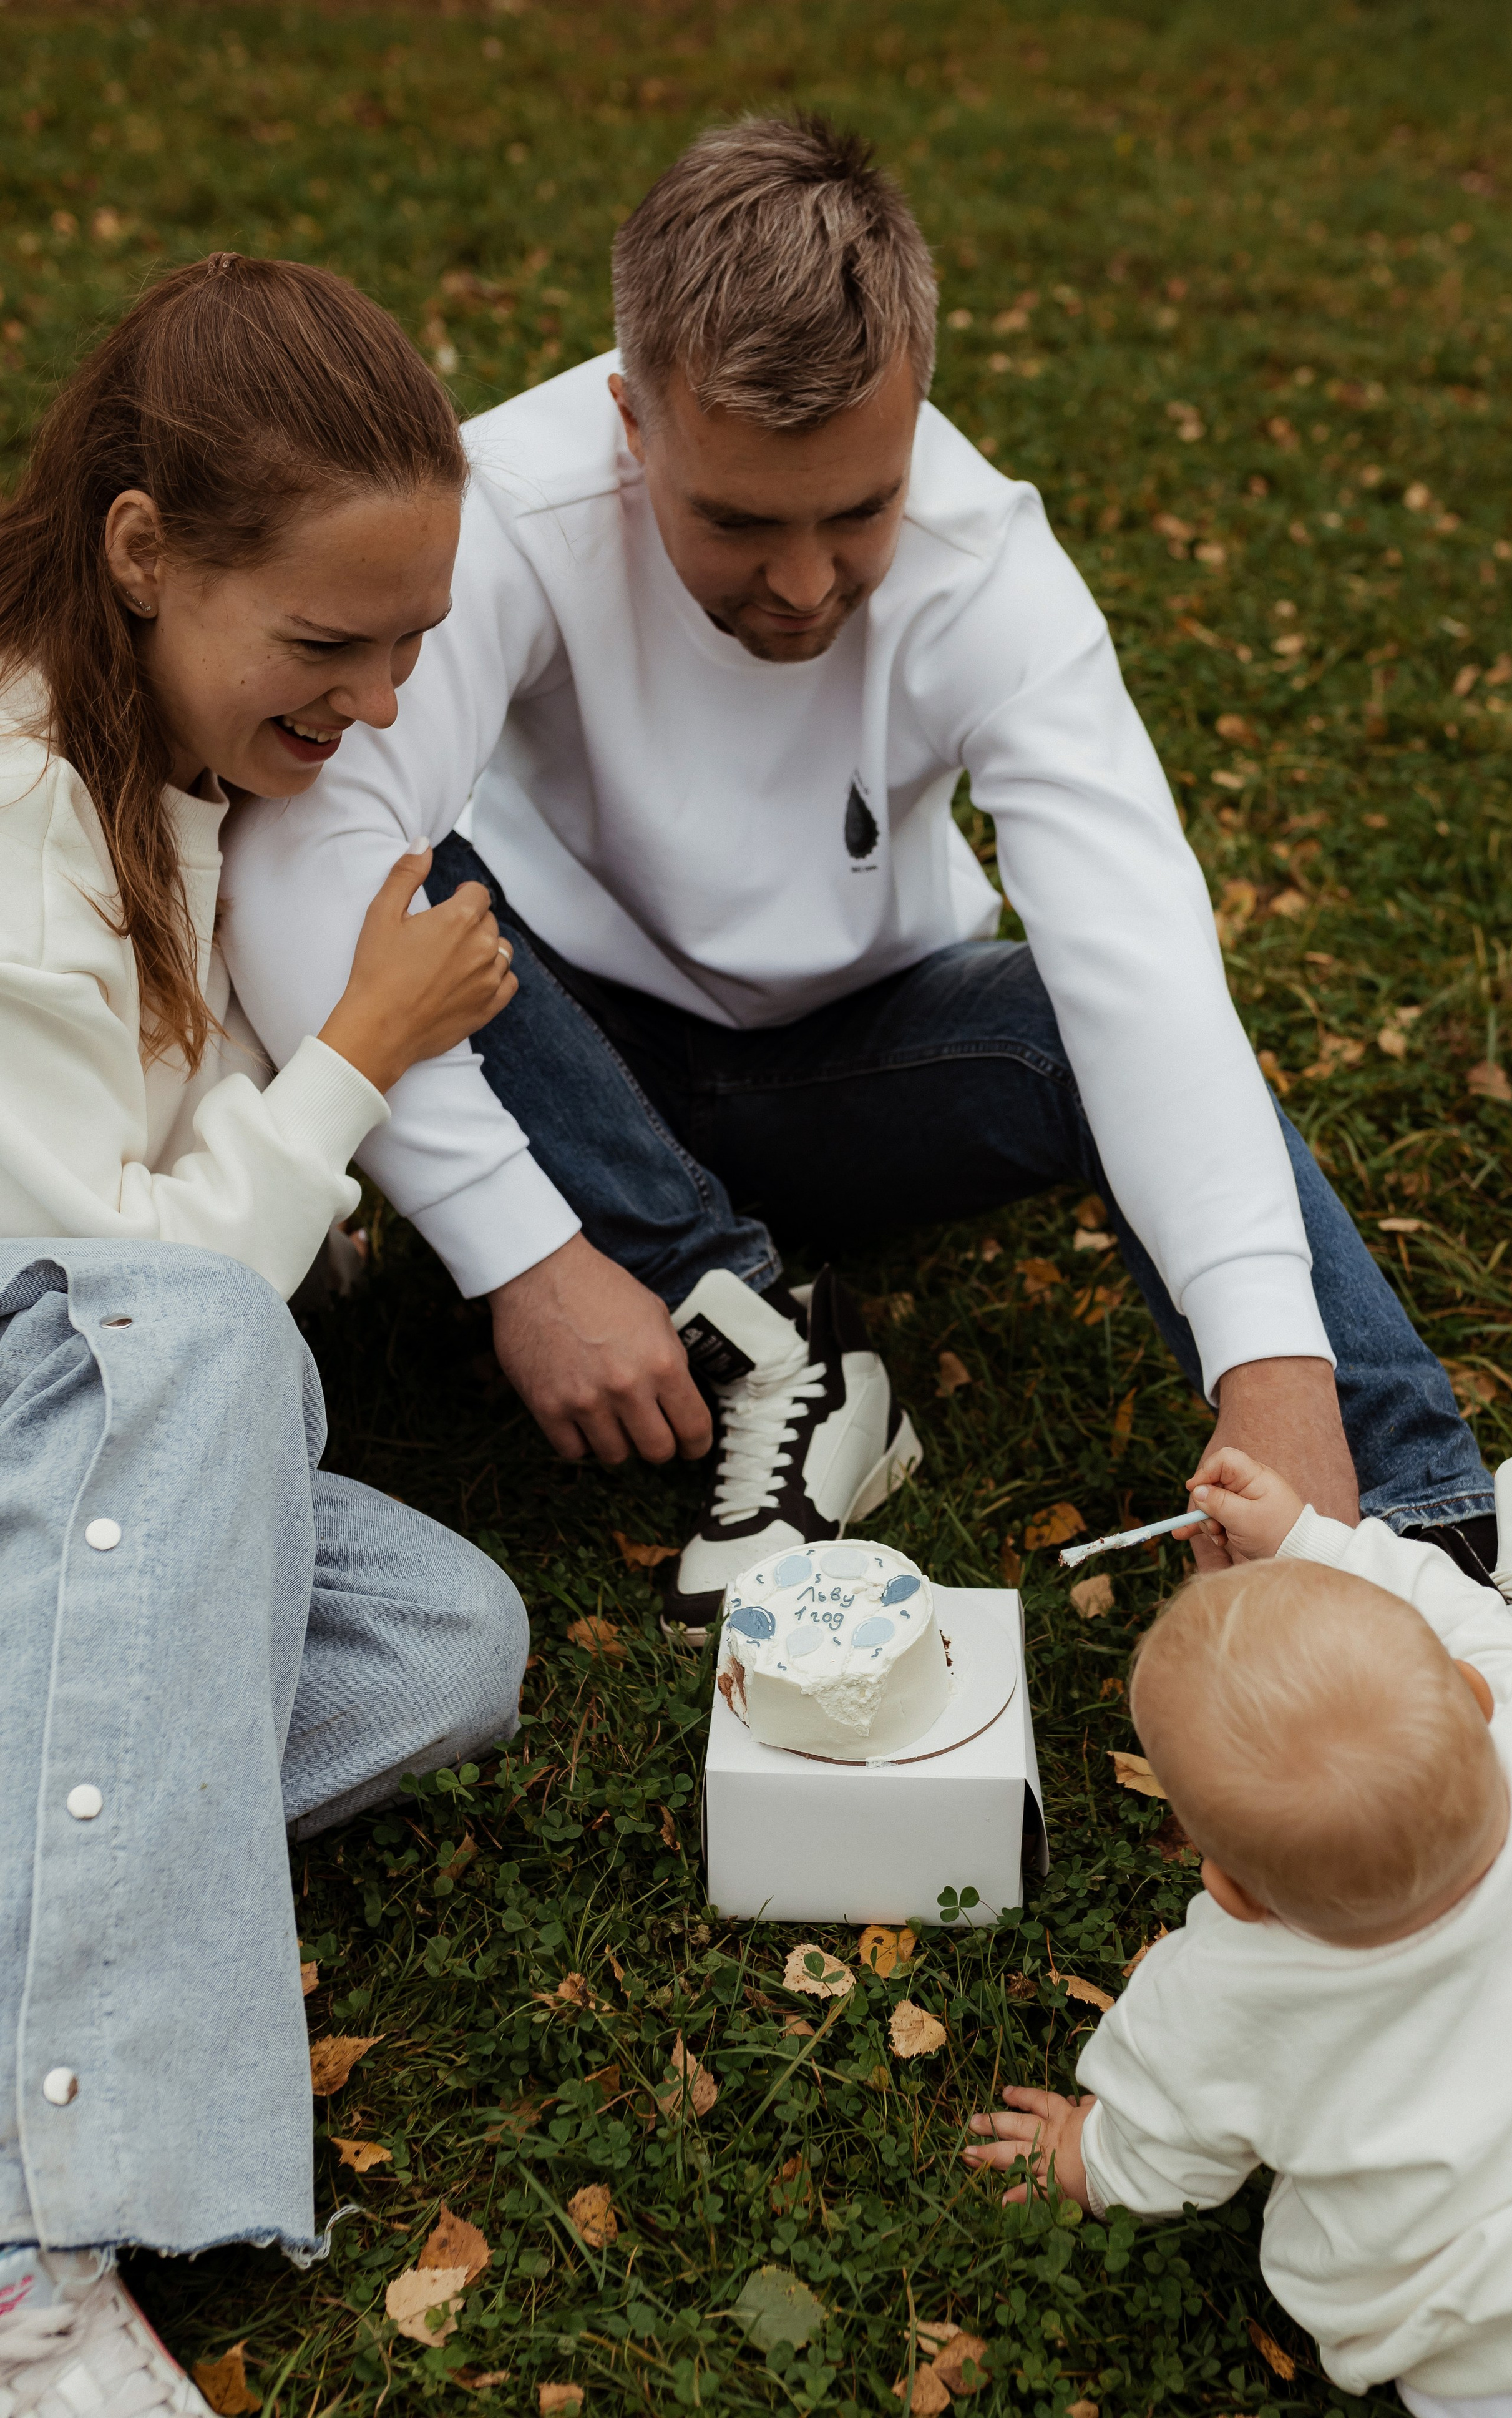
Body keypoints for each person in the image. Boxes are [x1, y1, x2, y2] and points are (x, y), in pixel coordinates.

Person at [220, 114, 1500, 1640]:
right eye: (739, 521)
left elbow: (1139, 963)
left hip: (853, 1063)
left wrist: (1273, 1377)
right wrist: (520, 1252)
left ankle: (1433, 1536)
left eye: (859, 509)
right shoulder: (504, 504)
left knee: (1080, 1017)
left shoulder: (988, 569)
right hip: (556, 1052)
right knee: (401, 862)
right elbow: (300, 848)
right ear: (631, 423)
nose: (808, 582)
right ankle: (774, 1340)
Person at [0, 255, 527, 2416]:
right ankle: (40, 2243)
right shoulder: (26, 817)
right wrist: (358, 1060)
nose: (377, 703)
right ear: (143, 554)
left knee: (442, 1638)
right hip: (58, 1396)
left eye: (408, 647)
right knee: (217, 1352)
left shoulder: (180, 787)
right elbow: (132, 1295)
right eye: (328, 644)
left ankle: (57, 1863)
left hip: (74, 1472)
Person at [963, 1448, 1512, 2417]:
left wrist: (1080, 2161)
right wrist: (1310, 1543)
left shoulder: (1230, 1982)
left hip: (1500, 2354)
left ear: (1232, 1890)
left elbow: (1161, 2131)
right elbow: (1462, 1611)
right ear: (1474, 1695)